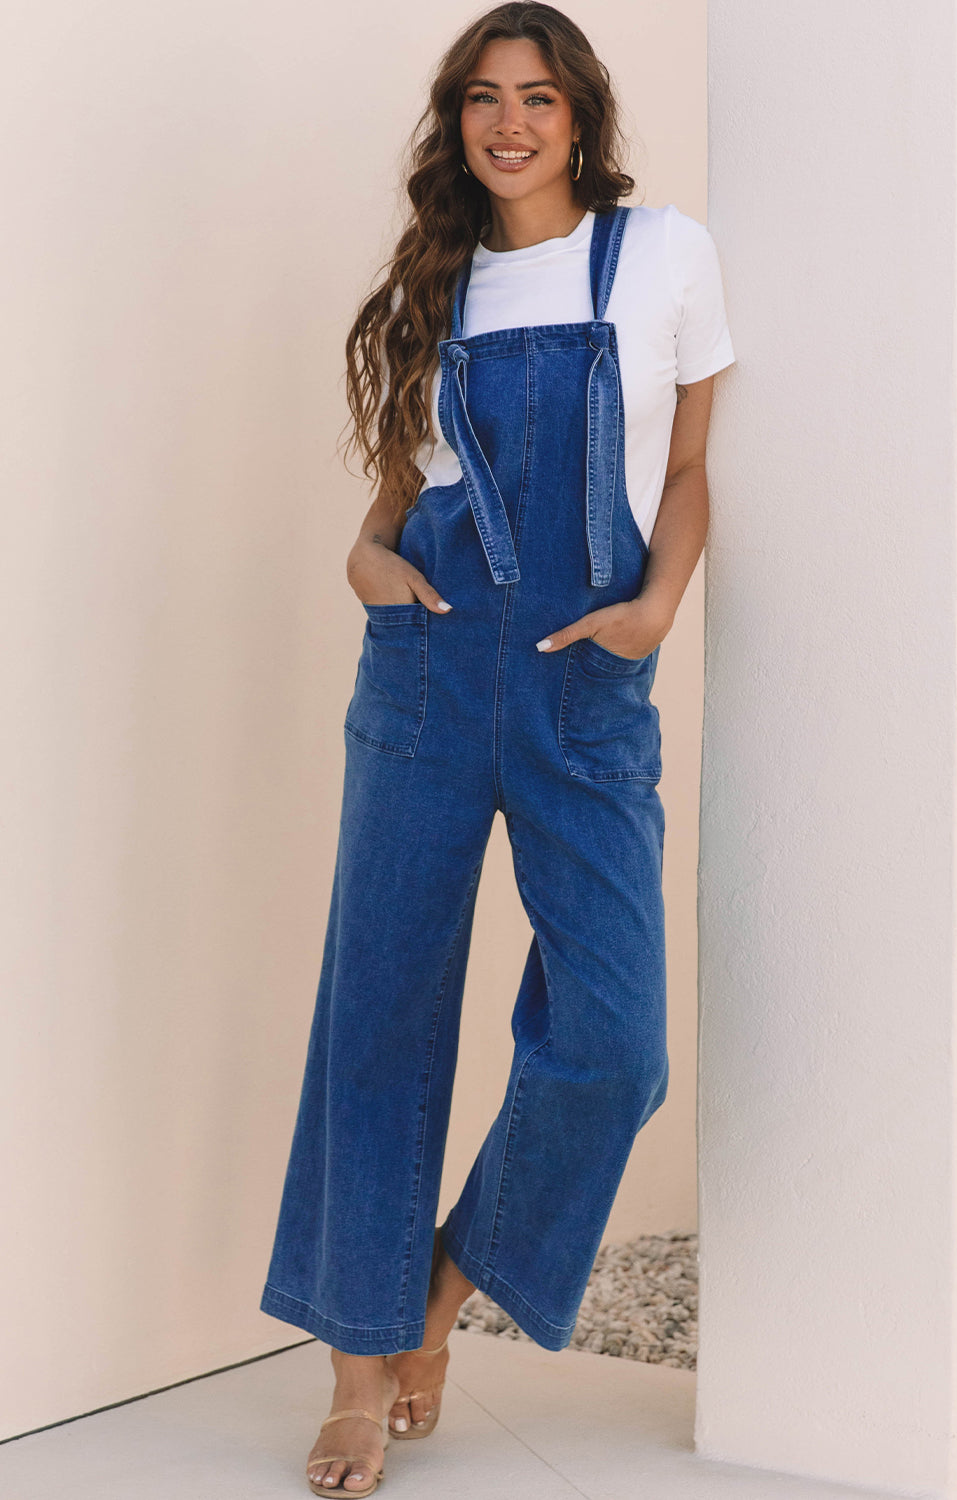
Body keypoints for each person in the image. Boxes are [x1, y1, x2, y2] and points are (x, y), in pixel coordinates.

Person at [259, 3, 735, 1494]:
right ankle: (354, 1374)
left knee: (616, 1041)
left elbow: (687, 464)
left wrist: (654, 610)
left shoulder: (662, 254)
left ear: (581, 114)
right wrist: (366, 559)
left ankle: (429, 1301)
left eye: (536, 96)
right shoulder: (434, 280)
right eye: (481, 97)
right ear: (456, 121)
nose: (508, 123)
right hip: (426, 666)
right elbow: (399, 488)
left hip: (585, 681)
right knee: (378, 1012)